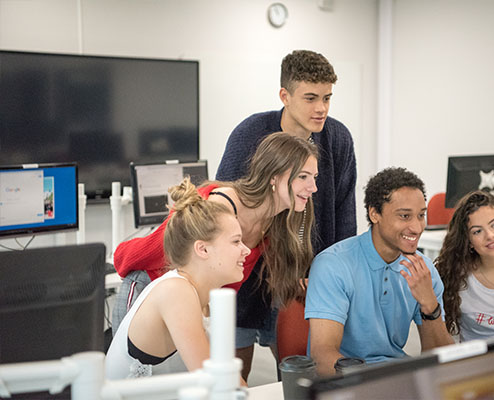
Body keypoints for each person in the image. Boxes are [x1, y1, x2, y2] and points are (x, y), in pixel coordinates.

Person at [112, 133, 319, 379]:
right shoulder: (219, 207)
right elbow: (132, 256)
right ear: (274, 177)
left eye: (314, 177)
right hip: (150, 286)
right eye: (303, 177)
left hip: (192, 302)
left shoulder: (270, 224)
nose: (313, 187)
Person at [216, 49, 357, 377]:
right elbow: (224, 214)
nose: (321, 108)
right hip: (246, 277)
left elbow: (343, 216)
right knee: (235, 379)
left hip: (304, 283)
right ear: (285, 95)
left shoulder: (337, 140)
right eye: (310, 98)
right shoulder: (250, 135)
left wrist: (327, 276)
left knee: (301, 376)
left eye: (327, 98)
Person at [305, 167, 454, 376]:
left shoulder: (424, 270)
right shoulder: (333, 265)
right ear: (374, 213)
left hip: (396, 376)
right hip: (346, 380)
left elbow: (441, 359)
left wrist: (430, 305)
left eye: (421, 215)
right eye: (404, 216)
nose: (417, 227)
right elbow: (322, 357)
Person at [106, 177, 250, 379]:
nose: (247, 250)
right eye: (236, 241)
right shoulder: (176, 291)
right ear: (203, 249)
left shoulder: (205, 296)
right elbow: (216, 380)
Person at [435, 190, 494, 342]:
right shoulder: (454, 274)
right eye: (477, 231)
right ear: (468, 240)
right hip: (478, 360)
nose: (490, 236)